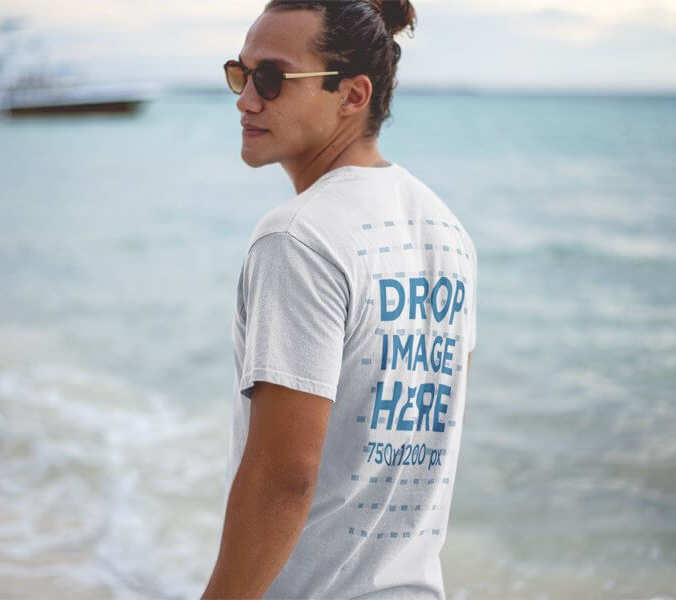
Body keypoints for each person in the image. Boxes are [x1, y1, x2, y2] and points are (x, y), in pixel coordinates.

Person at [202, 1, 477, 598]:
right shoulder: (447, 233)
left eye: (271, 78)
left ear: (352, 95)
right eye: (239, 74)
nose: (246, 99)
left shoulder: (297, 237)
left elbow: (284, 475)